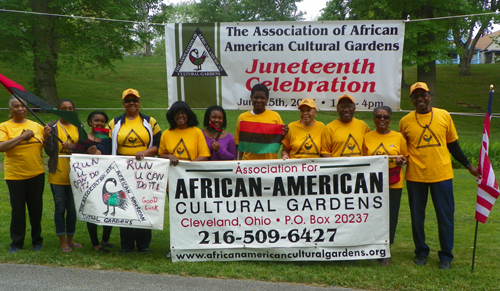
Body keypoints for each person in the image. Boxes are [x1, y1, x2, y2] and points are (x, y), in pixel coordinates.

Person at [399, 82, 478, 270]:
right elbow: (402, 148)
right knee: (417, 218)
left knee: (445, 216)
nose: (420, 99)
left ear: (429, 96)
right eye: (415, 96)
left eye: (423, 95)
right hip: (415, 176)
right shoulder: (405, 121)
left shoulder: (444, 115)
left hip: (442, 175)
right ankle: (421, 252)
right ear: (411, 100)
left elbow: (453, 145)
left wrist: (468, 165)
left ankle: (446, 256)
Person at [98, 88, 162, 254]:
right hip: (122, 170)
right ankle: (126, 244)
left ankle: (143, 245)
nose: (131, 103)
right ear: (123, 104)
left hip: (144, 170)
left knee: (142, 205)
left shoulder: (151, 122)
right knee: (123, 204)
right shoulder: (114, 123)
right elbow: (104, 144)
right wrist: (96, 152)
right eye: (128, 100)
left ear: (140, 102)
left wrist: (145, 153)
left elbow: (159, 144)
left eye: (135, 100)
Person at [0, 96, 47, 253]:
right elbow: (2, 147)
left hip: (36, 173)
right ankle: (17, 242)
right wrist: (22, 137)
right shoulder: (4, 127)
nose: (20, 109)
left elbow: (46, 147)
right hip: (15, 175)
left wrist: (48, 134)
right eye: (16, 106)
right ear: (10, 110)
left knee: (36, 209)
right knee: (18, 210)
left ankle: (37, 240)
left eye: (23, 106)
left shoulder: (36, 126)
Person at [363, 106, 408, 266]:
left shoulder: (398, 137)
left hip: (394, 181)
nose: (382, 120)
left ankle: (387, 250)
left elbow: (405, 157)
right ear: (373, 119)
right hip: (373, 183)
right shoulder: (367, 137)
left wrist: (401, 161)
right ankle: (375, 249)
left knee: (391, 217)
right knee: (375, 216)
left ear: (390, 120)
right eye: (379, 117)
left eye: (386, 117)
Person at [44, 98, 82, 253]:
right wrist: (47, 137)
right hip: (58, 174)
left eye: (70, 108)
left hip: (75, 175)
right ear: (58, 109)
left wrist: (72, 146)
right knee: (60, 208)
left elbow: (84, 148)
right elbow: (48, 151)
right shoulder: (52, 127)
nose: (67, 111)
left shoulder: (78, 126)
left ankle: (71, 239)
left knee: (72, 209)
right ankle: (62, 241)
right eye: (63, 108)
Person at [78, 111, 114, 253]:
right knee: (92, 208)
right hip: (89, 179)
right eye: (96, 120)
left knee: (109, 206)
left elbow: (108, 152)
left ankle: (105, 239)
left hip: (106, 177)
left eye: (102, 121)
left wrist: (97, 152)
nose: (99, 123)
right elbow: (78, 155)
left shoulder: (106, 137)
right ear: (89, 122)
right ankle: (95, 243)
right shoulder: (83, 138)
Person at [234, 83, 288, 160]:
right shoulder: (242, 118)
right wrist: (238, 161)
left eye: (262, 98)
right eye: (256, 97)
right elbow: (238, 144)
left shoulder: (275, 116)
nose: (259, 100)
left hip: (270, 163)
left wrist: (283, 134)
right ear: (251, 98)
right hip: (249, 164)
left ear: (267, 99)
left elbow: (278, 141)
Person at [158, 101, 210, 165]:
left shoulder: (197, 132)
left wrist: (186, 166)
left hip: (192, 173)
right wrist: (169, 157)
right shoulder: (166, 134)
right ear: (172, 116)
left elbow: (204, 156)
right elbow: (160, 156)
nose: (180, 116)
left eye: (183, 113)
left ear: (188, 115)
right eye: (177, 113)